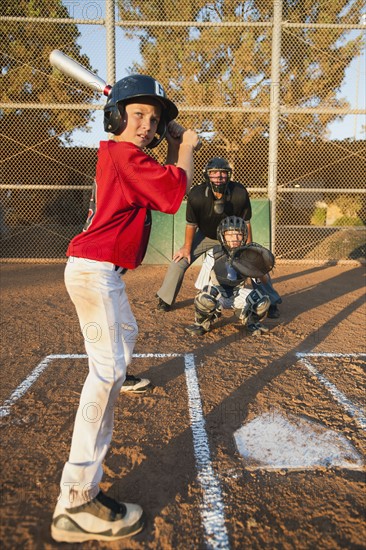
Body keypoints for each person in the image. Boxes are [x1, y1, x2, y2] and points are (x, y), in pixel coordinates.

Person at [51, 74, 199, 543]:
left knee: (124, 337)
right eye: (136, 115)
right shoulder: (123, 155)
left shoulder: (120, 154)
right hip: (95, 272)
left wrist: (169, 144)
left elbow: (160, 183)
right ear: (116, 116)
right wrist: (186, 145)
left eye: (153, 120)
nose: (146, 125)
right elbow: (176, 195)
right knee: (107, 371)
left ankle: (119, 367)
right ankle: (76, 499)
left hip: (98, 271)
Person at [156, 157, 281, 317]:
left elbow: (246, 223)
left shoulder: (239, 192)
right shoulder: (197, 194)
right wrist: (186, 248)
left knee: (255, 263)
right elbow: (191, 225)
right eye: (214, 173)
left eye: (222, 173)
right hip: (206, 235)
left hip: (233, 236)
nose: (218, 177)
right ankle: (165, 299)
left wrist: (249, 248)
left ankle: (271, 302)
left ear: (228, 175)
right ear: (207, 175)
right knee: (179, 261)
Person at [185, 216, 272, 336]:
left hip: (237, 293)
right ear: (222, 235)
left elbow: (264, 281)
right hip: (218, 294)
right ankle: (202, 323)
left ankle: (250, 320)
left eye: (239, 234)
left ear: (244, 236)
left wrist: (261, 270)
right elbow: (201, 284)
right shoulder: (213, 253)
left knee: (263, 301)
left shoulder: (248, 254)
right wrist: (210, 305)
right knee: (205, 296)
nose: (235, 238)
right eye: (230, 234)